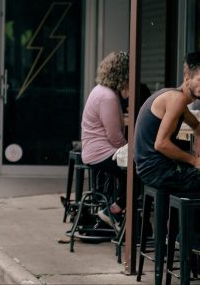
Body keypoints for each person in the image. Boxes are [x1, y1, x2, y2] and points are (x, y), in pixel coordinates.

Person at [134, 52, 200, 192]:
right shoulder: (177, 99)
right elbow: (161, 144)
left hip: (152, 167)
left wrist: (197, 153)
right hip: (156, 170)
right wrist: (194, 160)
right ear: (187, 77)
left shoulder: (174, 96)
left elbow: (196, 125)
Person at [79, 51, 129, 227]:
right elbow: (115, 137)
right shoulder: (108, 97)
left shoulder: (100, 91)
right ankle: (113, 211)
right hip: (101, 153)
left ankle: (116, 211)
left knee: (133, 170)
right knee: (142, 170)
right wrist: (129, 151)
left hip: (96, 152)